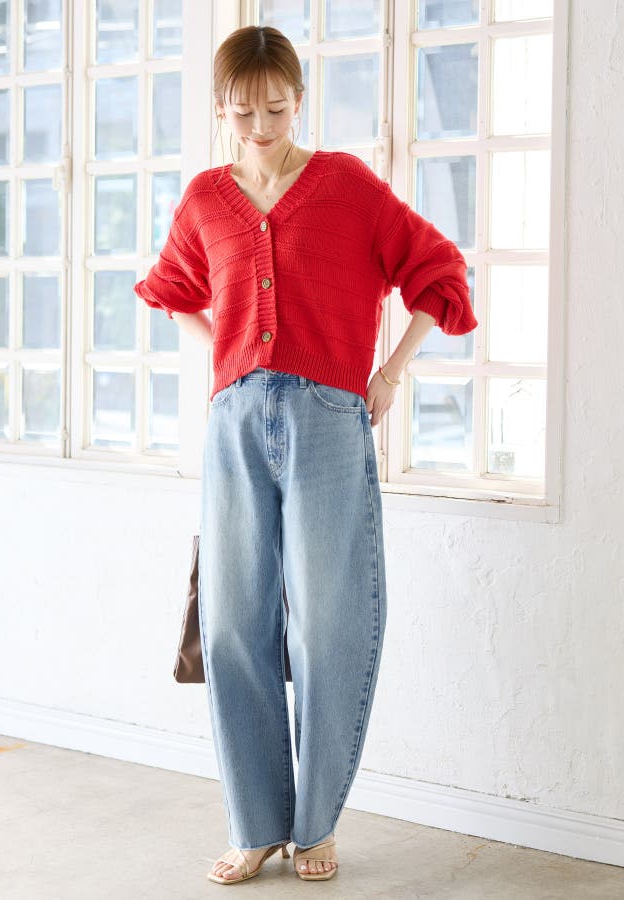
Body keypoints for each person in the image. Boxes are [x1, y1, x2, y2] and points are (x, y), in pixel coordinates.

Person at [133, 25, 477, 886]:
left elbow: (438, 270)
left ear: (300, 101)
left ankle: (316, 823)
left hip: (328, 420)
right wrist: (224, 362)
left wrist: (389, 374)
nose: (260, 128)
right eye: (243, 112)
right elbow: (172, 291)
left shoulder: (347, 187)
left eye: (277, 110)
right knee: (231, 624)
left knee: (328, 622)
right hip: (234, 423)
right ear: (221, 107)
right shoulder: (205, 200)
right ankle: (256, 824)